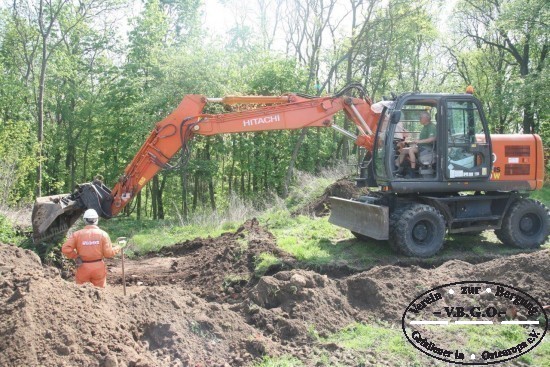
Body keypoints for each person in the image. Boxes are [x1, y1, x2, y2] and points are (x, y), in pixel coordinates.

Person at [62, 209, 120, 288]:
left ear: (84, 220)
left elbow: (66, 249)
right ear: (96, 220)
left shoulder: (77, 234)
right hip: (98, 268)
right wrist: (118, 247)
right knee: (100, 293)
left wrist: (75, 256)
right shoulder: (103, 234)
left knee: (81, 292)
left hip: (83, 267)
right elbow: (108, 253)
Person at [396, 111, 437, 175]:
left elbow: (432, 139)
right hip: (422, 147)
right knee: (403, 150)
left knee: (411, 150)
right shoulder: (425, 126)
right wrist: (413, 141)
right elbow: (422, 139)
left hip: (427, 148)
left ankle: (412, 170)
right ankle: (397, 167)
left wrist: (419, 141)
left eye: (420, 117)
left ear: (426, 118)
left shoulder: (431, 127)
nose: (419, 119)